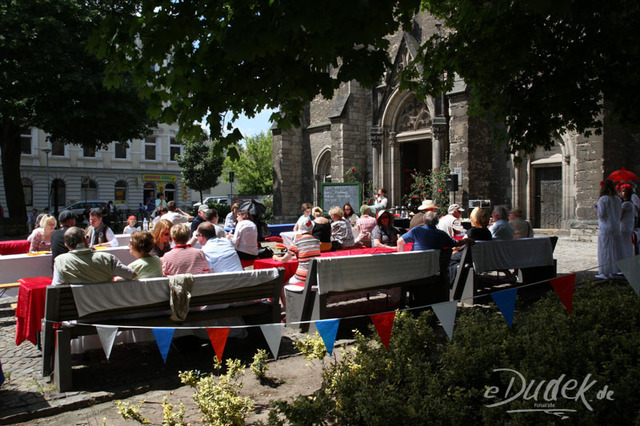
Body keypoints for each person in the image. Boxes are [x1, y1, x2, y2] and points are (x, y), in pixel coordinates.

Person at [52, 227, 136, 285]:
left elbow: (56, 287)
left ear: (66, 245)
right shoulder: (107, 259)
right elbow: (132, 275)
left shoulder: (60, 261)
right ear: (85, 239)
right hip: (107, 306)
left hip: (75, 308)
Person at [273, 218, 320, 289]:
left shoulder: (297, 241)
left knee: (283, 287)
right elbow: (308, 255)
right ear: (311, 228)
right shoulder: (316, 240)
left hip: (302, 276)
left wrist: (275, 257)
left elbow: (284, 260)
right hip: (315, 275)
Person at [397, 211, 473, 252]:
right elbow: (456, 243)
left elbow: (400, 242)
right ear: (437, 222)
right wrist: (466, 240)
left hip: (415, 266)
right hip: (433, 269)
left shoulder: (416, 231)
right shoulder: (442, 234)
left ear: (424, 221)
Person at [596, 179, 623, 279]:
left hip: (606, 227)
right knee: (614, 249)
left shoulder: (603, 199)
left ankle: (604, 271)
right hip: (616, 227)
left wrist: (597, 209)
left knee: (605, 249)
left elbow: (601, 215)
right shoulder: (618, 199)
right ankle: (612, 270)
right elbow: (619, 214)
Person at [619, 184, 635, 261]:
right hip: (628, 227)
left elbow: (620, 216)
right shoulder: (630, 203)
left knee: (624, 246)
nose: (621, 193)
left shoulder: (626, 204)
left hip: (624, 227)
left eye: (623, 191)